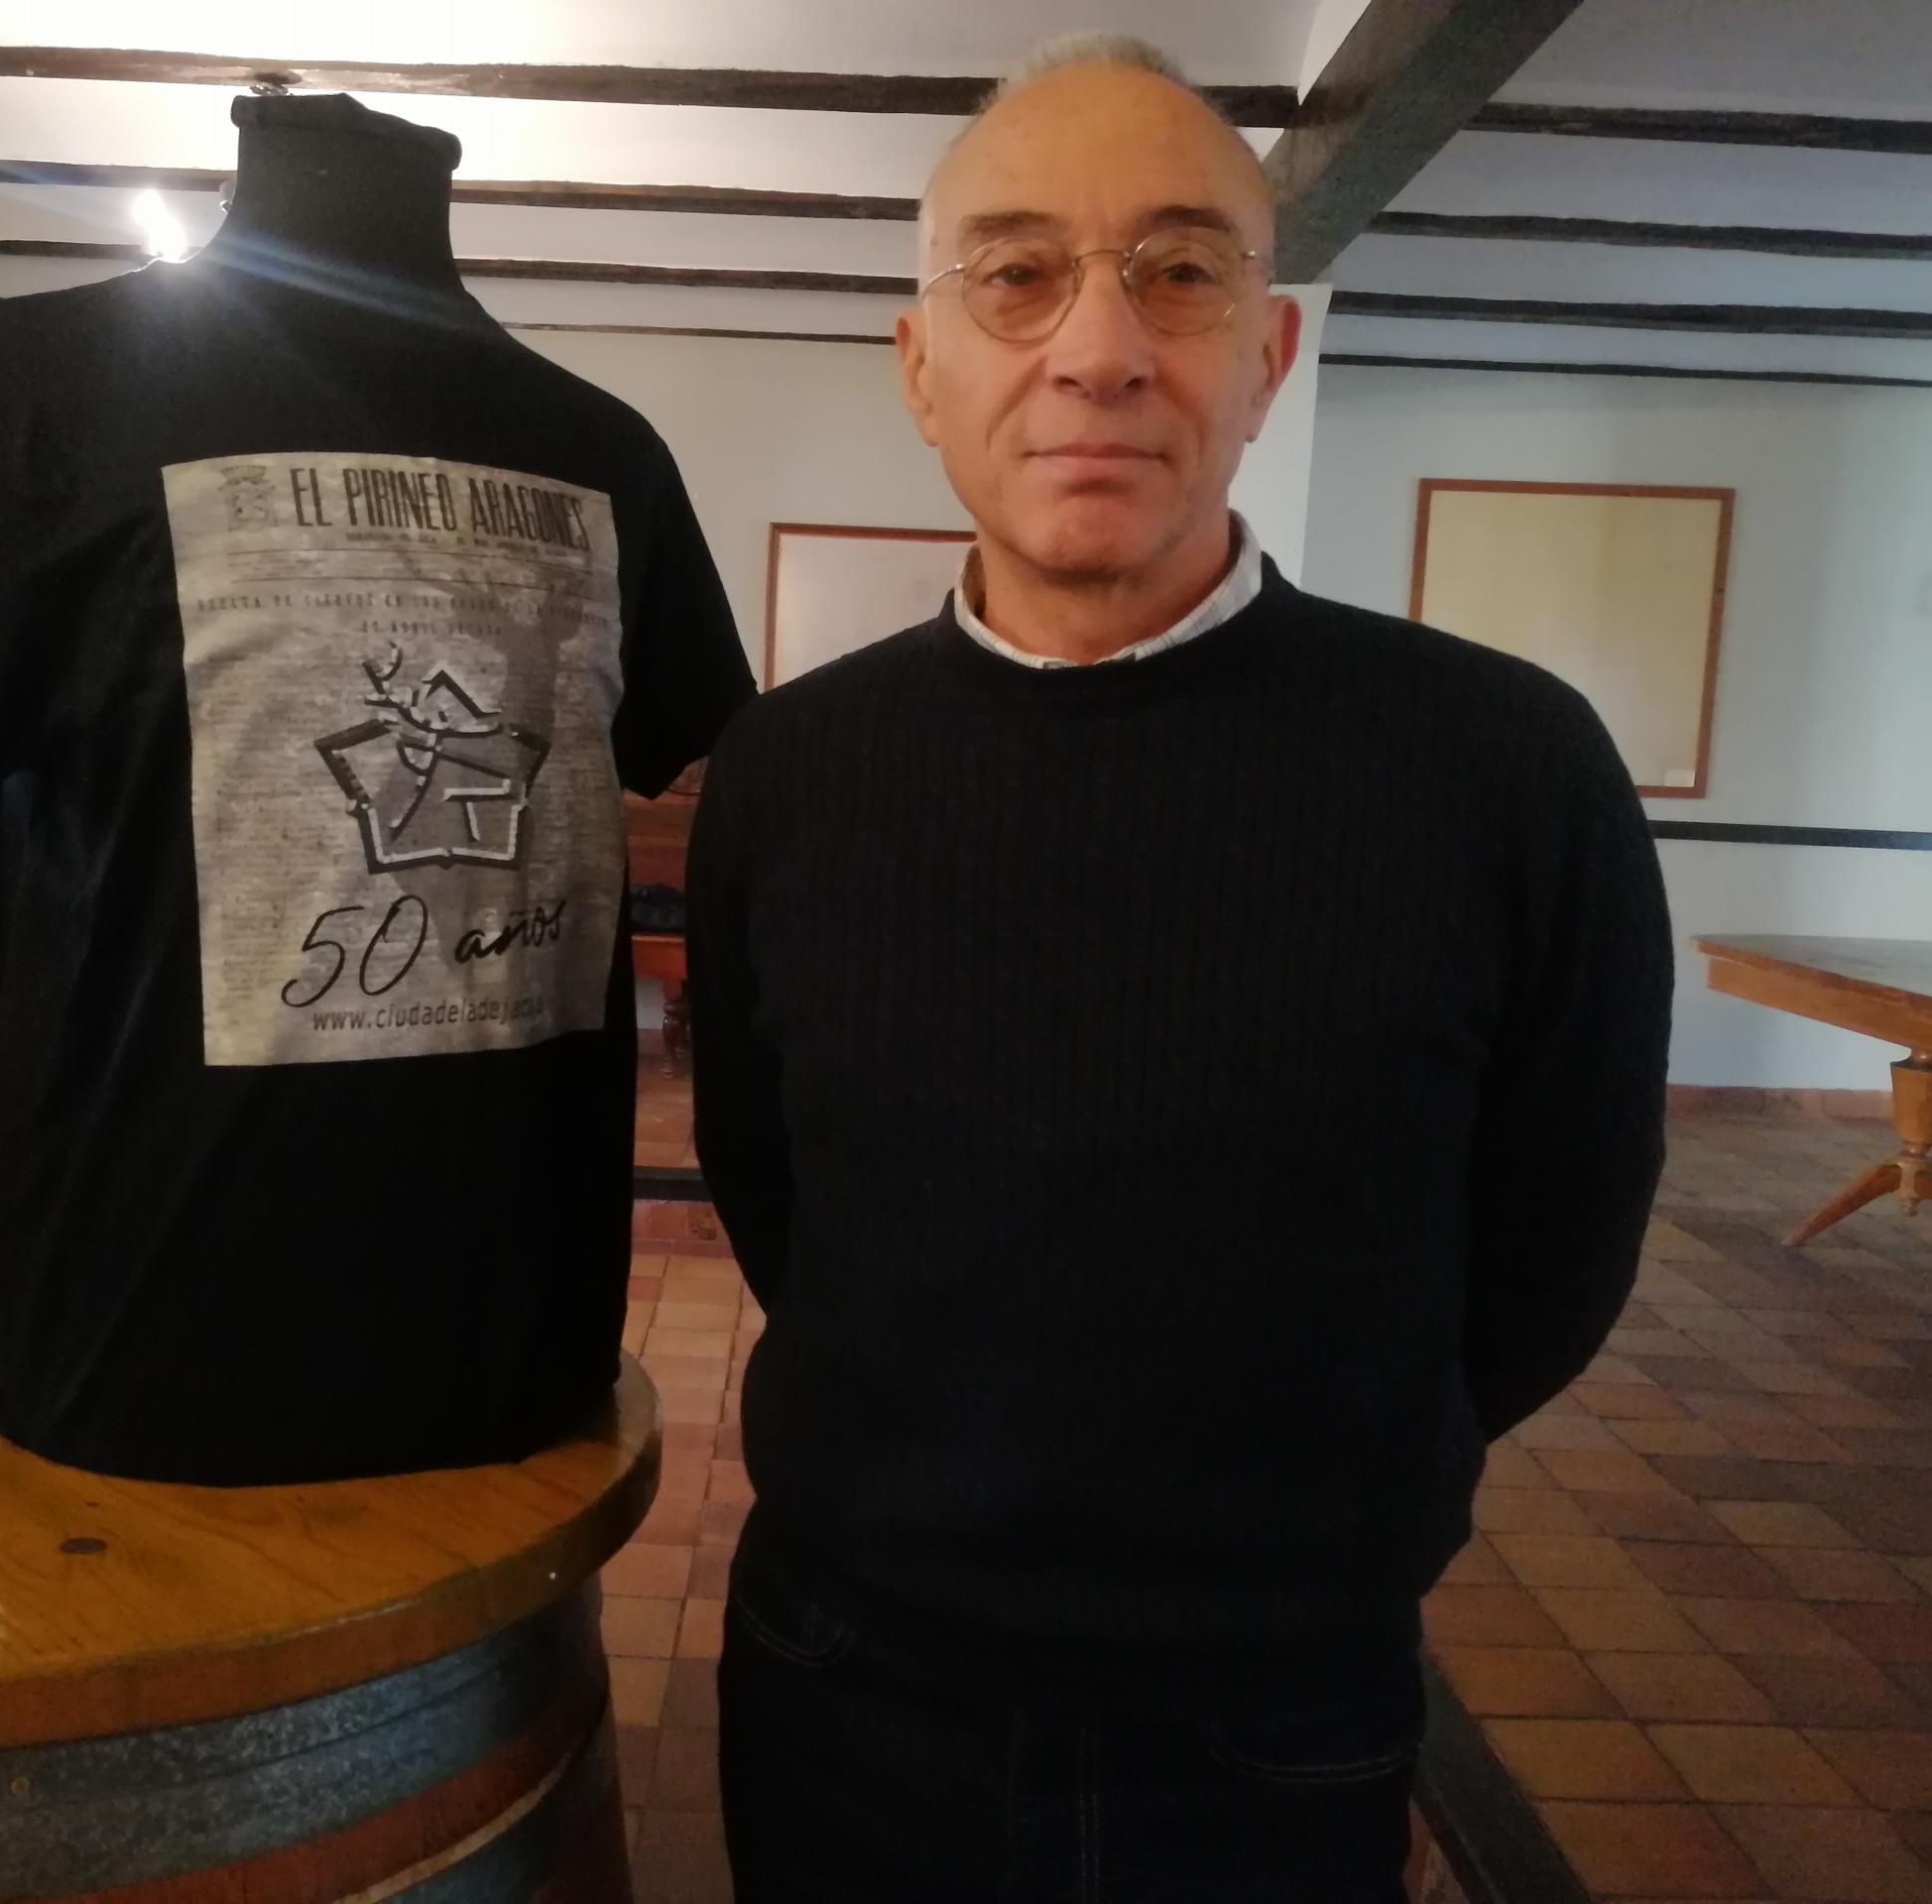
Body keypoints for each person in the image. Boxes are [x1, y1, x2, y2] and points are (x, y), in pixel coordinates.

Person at [686, 35, 1674, 1901]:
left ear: (1267, 354)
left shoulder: (1501, 766)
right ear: (921, 364)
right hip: (846, 1677)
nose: (1098, 348)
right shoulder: (794, 771)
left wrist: (1322, 1510)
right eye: (1016, 272)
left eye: (1181, 267)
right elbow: (780, 1194)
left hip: (1274, 1700)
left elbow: (1558, 1240)